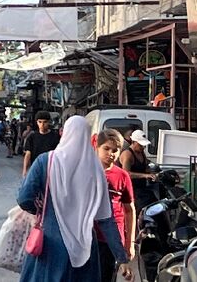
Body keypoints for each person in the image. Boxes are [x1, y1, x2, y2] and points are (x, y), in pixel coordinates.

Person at [17, 116, 130, 282]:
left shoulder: (45, 161)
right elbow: (106, 219)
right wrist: (122, 257)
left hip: (50, 245)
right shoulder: (96, 170)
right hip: (85, 250)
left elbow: (24, 198)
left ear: (64, 133)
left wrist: (42, 209)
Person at [94, 129, 135, 282]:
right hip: (87, 237)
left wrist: (129, 243)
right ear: (97, 147)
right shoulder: (86, 171)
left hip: (111, 240)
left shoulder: (122, 175)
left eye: (115, 150)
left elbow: (129, 210)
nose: (110, 153)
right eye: (106, 149)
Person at [118, 129, 157, 213]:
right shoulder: (128, 154)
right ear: (133, 142)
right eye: (140, 145)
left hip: (142, 188)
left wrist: (152, 172)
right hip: (132, 190)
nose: (143, 148)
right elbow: (126, 174)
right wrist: (145, 175)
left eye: (144, 146)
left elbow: (145, 166)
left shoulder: (141, 153)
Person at [23, 110, 61, 177]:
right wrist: (25, 170)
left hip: (51, 170)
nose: (42, 125)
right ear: (37, 122)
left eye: (45, 122)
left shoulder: (55, 137)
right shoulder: (32, 137)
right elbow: (28, 154)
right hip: (35, 169)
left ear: (49, 122)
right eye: (40, 122)